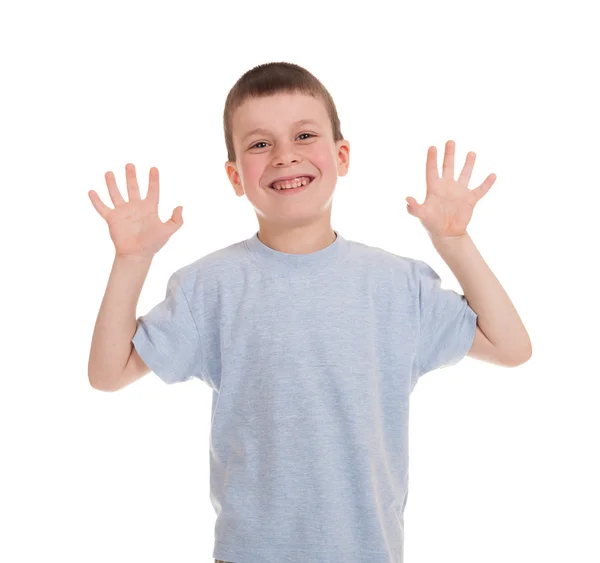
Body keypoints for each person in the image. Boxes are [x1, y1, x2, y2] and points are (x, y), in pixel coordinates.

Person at [87, 62, 532, 563]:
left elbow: (511, 347)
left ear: (342, 155)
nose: (284, 156)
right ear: (235, 176)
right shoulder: (208, 287)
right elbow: (108, 373)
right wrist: (131, 261)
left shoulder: (398, 284)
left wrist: (454, 242)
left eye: (304, 134)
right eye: (259, 144)